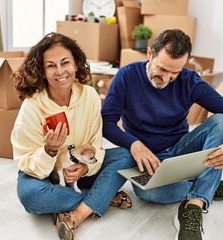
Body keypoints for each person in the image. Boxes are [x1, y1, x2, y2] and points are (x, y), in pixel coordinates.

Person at [101, 29, 223, 240]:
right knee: (146, 192)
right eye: (162, 69)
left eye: (175, 73)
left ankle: (194, 205)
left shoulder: (189, 81)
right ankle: (209, 187)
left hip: (181, 148)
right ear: (150, 54)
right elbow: (106, 122)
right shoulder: (126, 76)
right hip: (147, 158)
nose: (167, 78)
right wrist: (134, 144)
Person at [10, 32, 132, 240]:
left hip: (81, 172)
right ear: (42, 71)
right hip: (45, 176)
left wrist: (85, 167)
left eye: (65, 62)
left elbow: (95, 143)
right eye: (50, 65)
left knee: (125, 156)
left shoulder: (90, 96)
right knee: (30, 195)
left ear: (76, 64)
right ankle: (101, 197)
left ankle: (76, 209)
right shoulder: (32, 106)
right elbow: (26, 161)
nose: (60, 71)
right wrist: (49, 151)